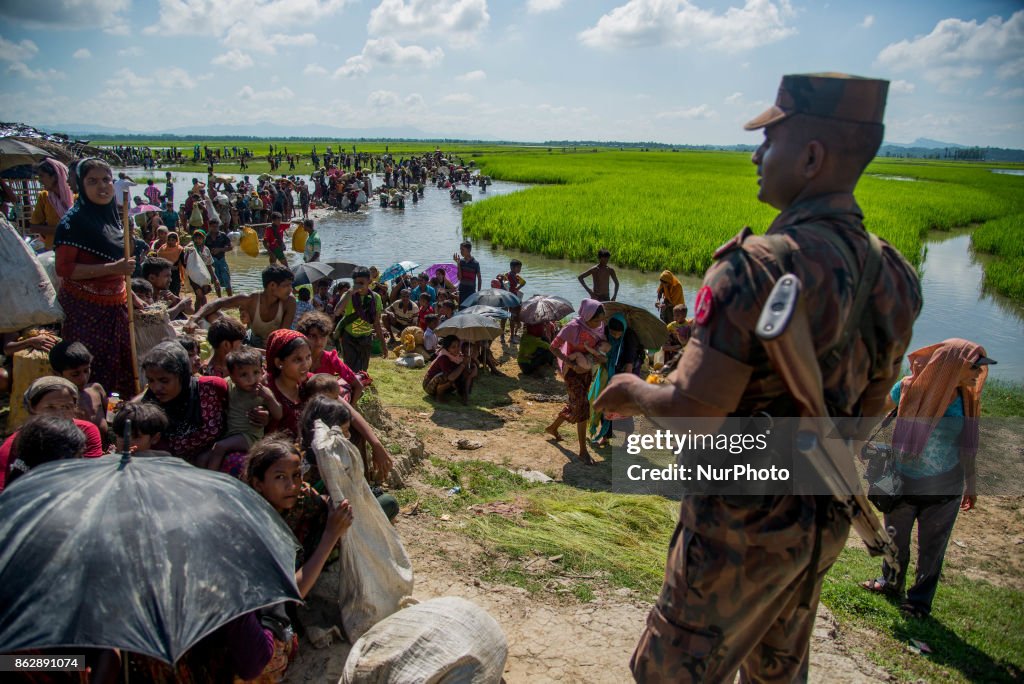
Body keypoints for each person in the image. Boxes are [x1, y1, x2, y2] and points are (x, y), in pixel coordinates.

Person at [595, 73, 922, 682]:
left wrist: (633, 392)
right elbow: (867, 416)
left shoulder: (753, 268)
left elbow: (695, 412)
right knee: (777, 672)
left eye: (768, 140)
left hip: (737, 531)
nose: (754, 153)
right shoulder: (895, 275)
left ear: (812, 155)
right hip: (820, 523)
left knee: (669, 672)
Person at [860, 340, 993, 618]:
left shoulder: (968, 401)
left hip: (945, 488)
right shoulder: (909, 387)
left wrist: (972, 484)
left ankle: (919, 603)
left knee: (932, 551)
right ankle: (890, 584)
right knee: (896, 541)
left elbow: (968, 447)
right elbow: (877, 410)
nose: (979, 374)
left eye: (981, 369)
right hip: (901, 482)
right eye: (975, 367)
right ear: (953, 365)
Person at [54, 158, 137, 398]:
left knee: (124, 364)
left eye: (106, 180)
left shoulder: (115, 216)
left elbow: (124, 268)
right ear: (80, 185)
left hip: (118, 306)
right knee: (91, 365)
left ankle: (118, 415)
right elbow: (64, 268)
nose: (102, 187)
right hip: (85, 310)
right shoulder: (72, 223)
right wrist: (114, 267)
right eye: (92, 181)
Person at [245, 437, 353, 599]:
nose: (292, 486)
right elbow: (290, 594)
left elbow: (321, 504)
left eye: (296, 475)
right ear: (258, 483)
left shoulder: (301, 497)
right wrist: (330, 535)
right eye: (280, 477)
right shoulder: (255, 525)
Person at [141, 341, 255, 472]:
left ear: (182, 376)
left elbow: (244, 402)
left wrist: (261, 414)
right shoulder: (149, 409)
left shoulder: (212, 388)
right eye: (151, 380)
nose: (156, 388)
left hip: (215, 462)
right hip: (171, 472)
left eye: (164, 381)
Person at [0, 376, 105, 492]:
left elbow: (90, 475)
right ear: (32, 408)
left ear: (75, 408)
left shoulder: (86, 431)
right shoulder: (13, 445)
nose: (59, 414)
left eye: (66, 407)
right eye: (50, 407)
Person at [544, 300, 606, 465]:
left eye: (601, 320)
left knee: (576, 404)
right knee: (583, 406)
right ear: (586, 316)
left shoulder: (600, 328)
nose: (598, 323)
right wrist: (571, 364)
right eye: (595, 320)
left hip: (587, 372)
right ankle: (583, 451)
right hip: (572, 372)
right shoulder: (572, 328)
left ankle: (553, 428)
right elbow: (553, 347)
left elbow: (600, 347)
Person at [203, 347, 283, 471]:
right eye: (244, 375)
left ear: (262, 371)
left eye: (256, 372)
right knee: (203, 458)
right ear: (233, 377)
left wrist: (269, 398)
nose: (251, 379)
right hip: (230, 435)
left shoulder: (262, 391)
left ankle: (211, 480)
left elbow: (278, 414)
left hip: (249, 437)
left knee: (220, 447)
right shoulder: (229, 385)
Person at [191, 264, 297, 348]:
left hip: (274, 345)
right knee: (211, 314)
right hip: (251, 341)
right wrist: (194, 319)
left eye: (290, 285)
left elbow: (282, 334)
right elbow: (218, 303)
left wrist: (272, 344)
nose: (291, 289)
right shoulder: (251, 299)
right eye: (286, 285)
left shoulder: (289, 301)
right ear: (272, 286)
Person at [587, 314, 640, 448]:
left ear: (623, 331)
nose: (615, 336)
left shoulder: (630, 339)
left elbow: (629, 365)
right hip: (608, 372)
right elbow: (601, 353)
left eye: (618, 334)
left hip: (626, 373)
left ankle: (628, 439)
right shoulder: (604, 332)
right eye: (612, 333)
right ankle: (605, 436)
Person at [296, 312, 364, 404]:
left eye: (323, 336)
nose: (319, 341)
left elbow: (357, 385)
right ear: (303, 336)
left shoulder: (331, 359)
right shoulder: (295, 359)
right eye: (313, 336)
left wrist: (349, 411)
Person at [4, 415, 86, 489]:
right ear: (60, 460)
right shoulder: (52, 498)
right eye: (79, 456)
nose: (83, 461)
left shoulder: (17, 485)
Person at [333, 267, 387, 373]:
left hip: (365, 337)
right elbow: (337, 312)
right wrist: (349, 293)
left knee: (363, 369)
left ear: (369, 281)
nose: (358, 286)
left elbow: (376, 323)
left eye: (361, 283)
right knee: (350, 368)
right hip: (349, 337)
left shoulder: (375, 298)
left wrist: (383, 344)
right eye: (356, 283)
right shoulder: (348, 295)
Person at [48, 339, 106, 436]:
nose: (83, 378)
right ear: (57, 374)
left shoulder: (97, 390)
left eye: (86, 371)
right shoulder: (55, 404)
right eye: (75, 374)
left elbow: (113, 420)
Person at [28, 158, 73, 249]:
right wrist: (63, 229)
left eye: (42, 176)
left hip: (76, 248)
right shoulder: (44, 197)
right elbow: (34, 227)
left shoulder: (76, 197)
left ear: (55, 176)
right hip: (53, 248)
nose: (39, 180)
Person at [423, 335, 477, 403]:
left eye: (458, 346)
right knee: (445, 376)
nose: (457, 349)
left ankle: (465, 396)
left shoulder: (458, 356)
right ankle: (439, 397)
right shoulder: (443, 358)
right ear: (447, 348)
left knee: (466, 371)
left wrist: (472, 370)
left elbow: (473, 369)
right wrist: (463, 364)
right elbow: (451, 377)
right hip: (429, 386)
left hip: (446, 381)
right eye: (453, 347)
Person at [203, 312, 247, 378]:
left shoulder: (232, 363)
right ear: (226, 345)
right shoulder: (213, 375)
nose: (241, 346)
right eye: (240, 343)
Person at [184, 229, 215, 309]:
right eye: (196, 238)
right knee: (200, 295)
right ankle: (205, 312)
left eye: (200, 238)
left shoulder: (206, 250)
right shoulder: (191, 248)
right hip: (193, 276)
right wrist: (189, 248)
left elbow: (209, 264)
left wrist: (214, 278)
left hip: (204, 276)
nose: (197, 240)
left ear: (204, 238)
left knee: (199, 297)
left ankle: (197, 314)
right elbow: (185, 252)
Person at [497, 259, 525, 342]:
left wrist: (517, 288)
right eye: (518, 267)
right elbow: (523, 283)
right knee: (507, 318)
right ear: (512, 267)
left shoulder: (514, 276)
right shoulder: (507, 275)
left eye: (520, 267)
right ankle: (507, 337)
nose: (520, 269)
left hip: (510, 298)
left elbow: (523, 282)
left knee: (508, 317)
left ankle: (507, 336)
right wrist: (517, 288)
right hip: (508, 298)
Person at [206, 218, 233, 296]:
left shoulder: (222, 235)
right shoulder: (206, 237)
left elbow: (230, 247)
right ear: (209, 227)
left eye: (217, 227)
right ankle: (219, 299)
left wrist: (220, 249)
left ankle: (230, 299)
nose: (215, 228)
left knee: (227, 279)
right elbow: (203, 249)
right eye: (213, 227)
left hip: (222, 260)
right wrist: (210, 251)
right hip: (212, 262)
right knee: (216, 281)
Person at [156, 231, 185, 296]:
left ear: (176, 240)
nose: (170, 242)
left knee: (175, 291)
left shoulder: (179, 249)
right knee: (166, 292)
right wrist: (169, 266)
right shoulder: (162, 250)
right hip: (164, 273)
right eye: (169, 240)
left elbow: (183, 262)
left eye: (173, 240)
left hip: (175, 274)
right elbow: (159, 261)